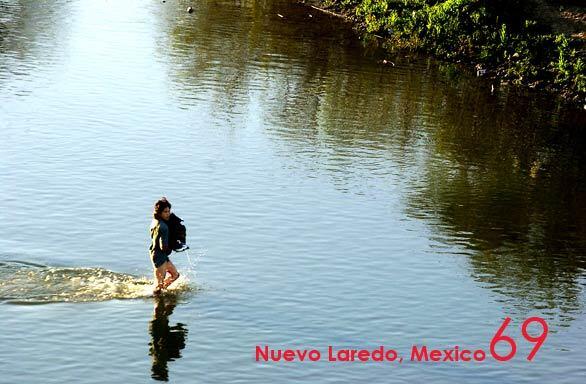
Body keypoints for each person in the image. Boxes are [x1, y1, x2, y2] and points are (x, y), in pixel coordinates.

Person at [150, 197, 180, 294]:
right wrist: (175, 246)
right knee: (159, 285)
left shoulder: (154, 222)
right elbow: (163, 247)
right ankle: (157, 295)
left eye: (168, 211)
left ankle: (163, 290)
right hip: (159, 256)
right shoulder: (164, 227)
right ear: (159, 213)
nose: (168, 214)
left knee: (175, 275)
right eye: (165, 212)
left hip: (155, 253)